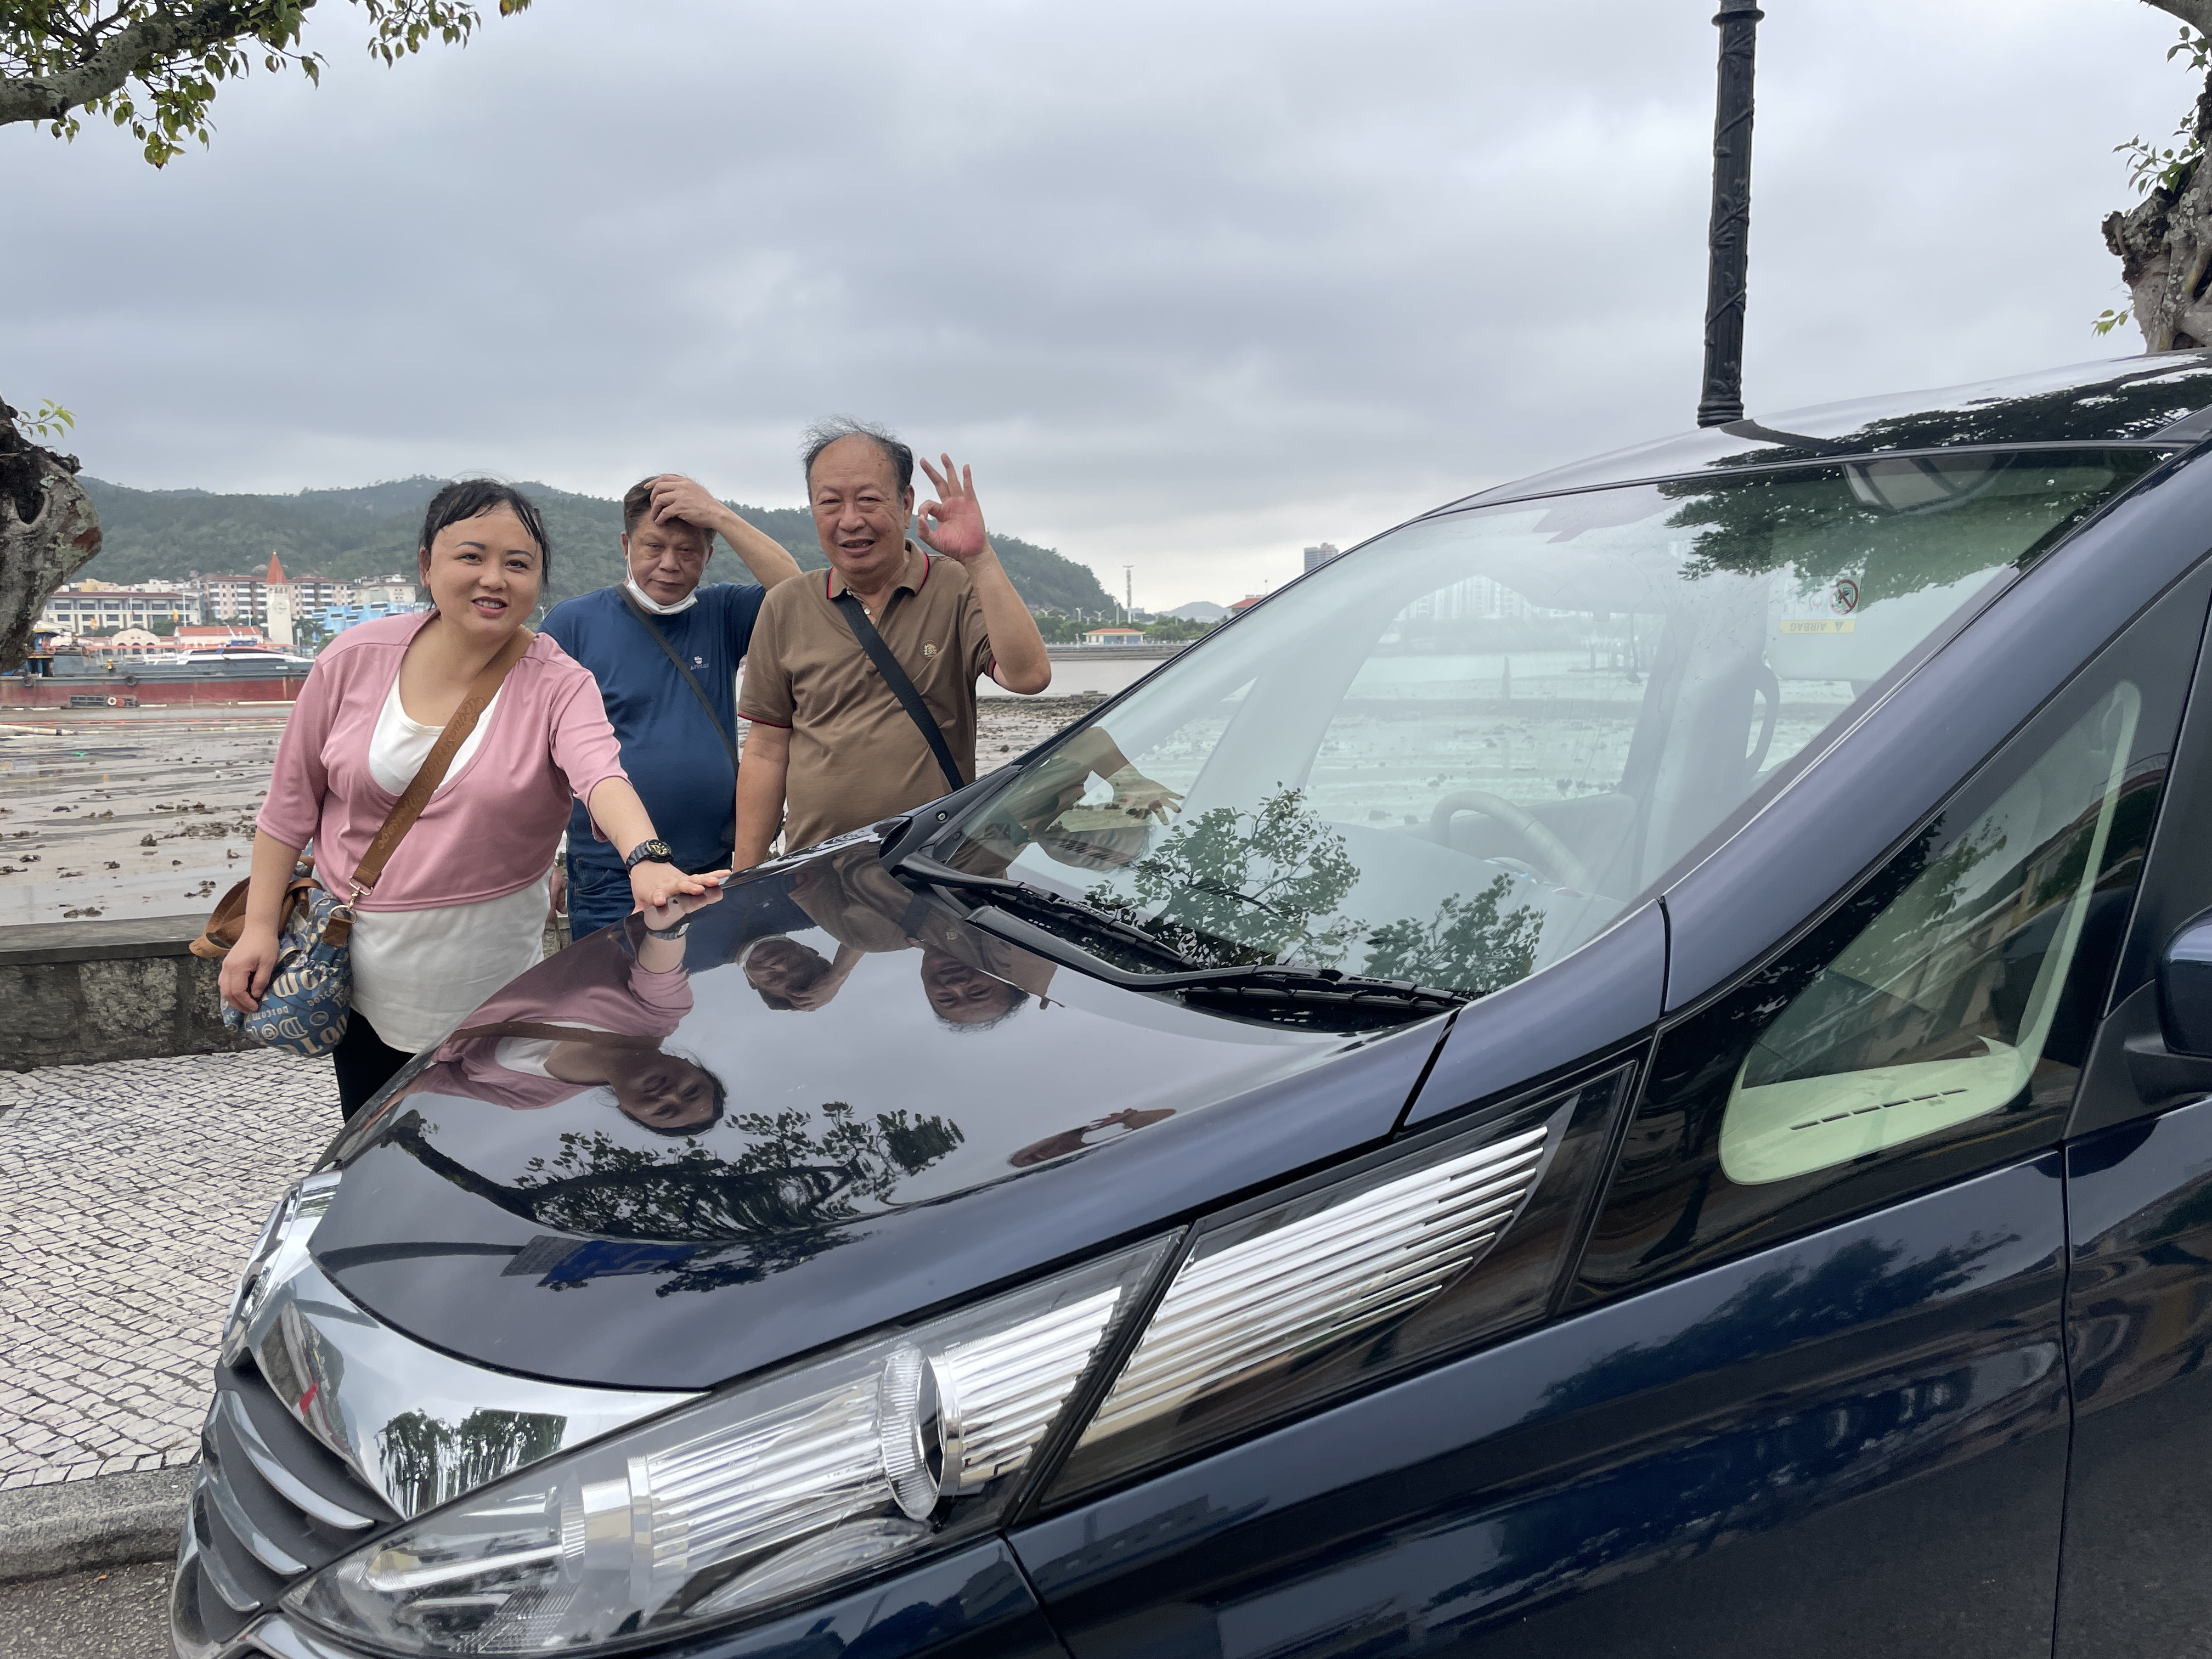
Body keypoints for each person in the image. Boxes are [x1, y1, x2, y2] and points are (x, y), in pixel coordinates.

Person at [219, 479, 720, 1119]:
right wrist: (258, 928)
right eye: (471, 556)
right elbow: (288, 809)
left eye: (518, 563)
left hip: (495, 983)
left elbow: (602, 776)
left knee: (476, 1137)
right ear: (427, 565)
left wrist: (646, 857)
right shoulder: (353, 659)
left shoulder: (559, 683)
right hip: (364, 974)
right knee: (374, 1139)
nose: (495, 578)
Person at [733, 419, 1054, 865]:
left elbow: (1029, 676)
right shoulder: (786, 604)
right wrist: (745, 878)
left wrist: (979, 558)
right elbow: (766, 750)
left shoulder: (956, 586)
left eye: (868, 499)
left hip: (937, 869)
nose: (850, 520)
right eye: (830, 502)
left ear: (905, 505)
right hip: (817, 873)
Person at [541, 475, 803, 935]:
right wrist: (545, 862)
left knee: (713, 982)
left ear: (709, 555)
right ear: (626, 545)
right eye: (653, 547)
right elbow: (537, 754)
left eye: (687, 551)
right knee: (615, 984)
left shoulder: (723, 612)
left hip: (713, 868)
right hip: (609, 876)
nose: (669, 564)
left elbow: (797, 594)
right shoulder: (573, 624)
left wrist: (718, 514)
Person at [398, 900, 726, 1134]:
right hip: (459, 928)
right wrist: (669, 926)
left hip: (401, 1012)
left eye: (665, 1111)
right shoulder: (660, 1011)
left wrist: (378, 1111)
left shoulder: (536, 1097)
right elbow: (661, 964)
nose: (670, 1095)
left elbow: (427, 1081)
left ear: (628, 1112)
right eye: (691, 1091)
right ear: (690, 1065)